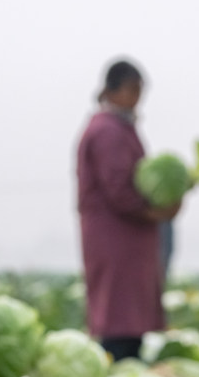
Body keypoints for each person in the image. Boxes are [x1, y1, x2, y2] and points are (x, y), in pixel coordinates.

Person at [76, 60, 180, 361]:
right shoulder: (108, 131)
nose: (138, 98)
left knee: (125, 317)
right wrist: (156, 212)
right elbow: (120, 190)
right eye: (133, 90)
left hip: (123, 240)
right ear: (114, 90)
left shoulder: (117, 126)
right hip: (117, 240)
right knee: (120, 319)